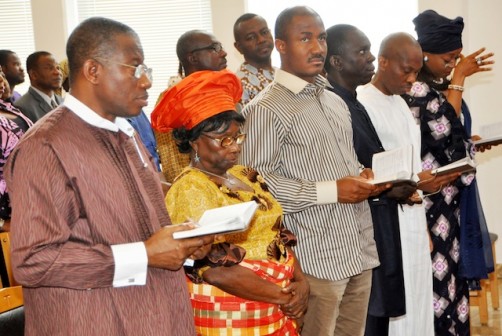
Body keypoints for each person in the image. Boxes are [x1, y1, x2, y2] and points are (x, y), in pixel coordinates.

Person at [4, 17, 215, 335]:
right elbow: (34, 260)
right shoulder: (46, 147)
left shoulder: (124, 131)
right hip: (96, 321)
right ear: (93, 71)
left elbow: (140, 228)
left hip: (159, 314)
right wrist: (144, 254)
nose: (145, 81)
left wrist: (181, 243)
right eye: (135, 68)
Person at [240, 6, 385, 336]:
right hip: (315, 257)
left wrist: (363, 175)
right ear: (281, 45)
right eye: (305, 38)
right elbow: (254, 185)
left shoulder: (334, 100)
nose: (318, 47)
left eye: (320, 38)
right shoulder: (265, 109)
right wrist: (332, 190)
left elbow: (341, 163)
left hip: (357, 247)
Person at [154, 69, 308, 335]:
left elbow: (278, 233)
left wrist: (301, 282)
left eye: (237, 137)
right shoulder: (191, 188)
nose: (234, 146)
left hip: (275, 304)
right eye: (223, 139)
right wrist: (284, 297)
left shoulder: (246, 174)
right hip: (232, 313)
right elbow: (213, 269)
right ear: (193, 141)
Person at [357, 32, 462, 336]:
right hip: (388, 222)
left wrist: (428, 186)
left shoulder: (401, 103)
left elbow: (411, 166)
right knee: (396, 309)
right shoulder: (364, 102)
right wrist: (416, 183)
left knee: (418, 300)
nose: (412, 78)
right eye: (406, 70)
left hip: (414, 218)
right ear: (383, 61)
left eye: (417, 71)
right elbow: (371, 170)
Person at [402, 10, 494, 335]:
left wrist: (470, 142)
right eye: (448, 58)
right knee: (436, 285)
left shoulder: (438, 85)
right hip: (429, 202)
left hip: (450, 203)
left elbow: (451, 135)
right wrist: (460, 79)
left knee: (452, 281)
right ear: (424, 53)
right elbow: (443, 132)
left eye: (457, 58)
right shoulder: (413, 90)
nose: (453, 64)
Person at [324, 24, 418, 336]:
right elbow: (350, 172)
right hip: (356, 228)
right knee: (364, 320)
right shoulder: (332, 106)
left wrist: (399, 183)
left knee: (377, 318)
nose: (370, 59)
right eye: (362, 52)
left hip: (379, 220)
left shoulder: (353, 102)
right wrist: (389, 184)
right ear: (336, 62)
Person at [153, 30, 228, 183]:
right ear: (193, 58)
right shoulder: (172, 100)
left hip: (231, 184)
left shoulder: (224, 92)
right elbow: (174, 164)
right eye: (215, 48)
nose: (223, 53)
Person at [0, 69, 33, 234]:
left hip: (28, 206)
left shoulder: (9, 108)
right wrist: (1, 223)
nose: (1, 80)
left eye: (1, 73)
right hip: (6, 218)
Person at [233, 13, 275, 105]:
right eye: (251, 37)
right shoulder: (241, 84)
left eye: (264, 32)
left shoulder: (280, 72)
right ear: (239, 47)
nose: (261, 40)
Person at [14, 51, 63, 122]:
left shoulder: (63, 101)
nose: (57, 72)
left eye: (58, 68)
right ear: (34, 75)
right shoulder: (22, 107)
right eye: (50, 68)